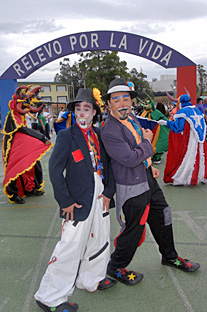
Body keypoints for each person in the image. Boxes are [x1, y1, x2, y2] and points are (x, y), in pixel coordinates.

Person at [100, 78, 200, 287]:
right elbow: (128, 158)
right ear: (108, 104)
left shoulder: (132, 118)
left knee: (162, 214)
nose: (122, 103)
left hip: (146, 177)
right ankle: (116, 266)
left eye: (125, 99)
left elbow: (137, 149)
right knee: (135, 227)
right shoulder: (109, 128)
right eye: (116, 100)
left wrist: (149, 164)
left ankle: (170, 255)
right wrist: (148, 145)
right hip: (130, 184)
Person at [34, 88, 117, 312]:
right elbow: (54, 170)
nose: (82, 112)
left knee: (100, 240)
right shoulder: (65, 136)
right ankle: (49, 297)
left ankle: (91, 279)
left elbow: (108, 166)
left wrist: (109, 192)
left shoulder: (99, 134)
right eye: (78, 108)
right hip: (77, 200)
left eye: (86, 108)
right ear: (74, 112)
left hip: (100, 195)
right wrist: (65, 201)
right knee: (70, 246)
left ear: (93, 113)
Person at [2, 86, 52, 204]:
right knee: (15, 167)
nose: (28, 105)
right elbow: (23, 129)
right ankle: (14, 194)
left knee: (32, 164)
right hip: (13, 145)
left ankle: (30, 188)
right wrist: (42, 138)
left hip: (23, 144)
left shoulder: (22, 115)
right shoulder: (13, 115)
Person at [158, 94, 207, 185]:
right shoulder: (197, 111)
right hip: (200, 140)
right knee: (200, 157)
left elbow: (178, 127)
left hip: (189, 140)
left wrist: (165, 123)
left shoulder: (183, 112)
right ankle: (200, 176)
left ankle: (181, 178)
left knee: (187, 158)